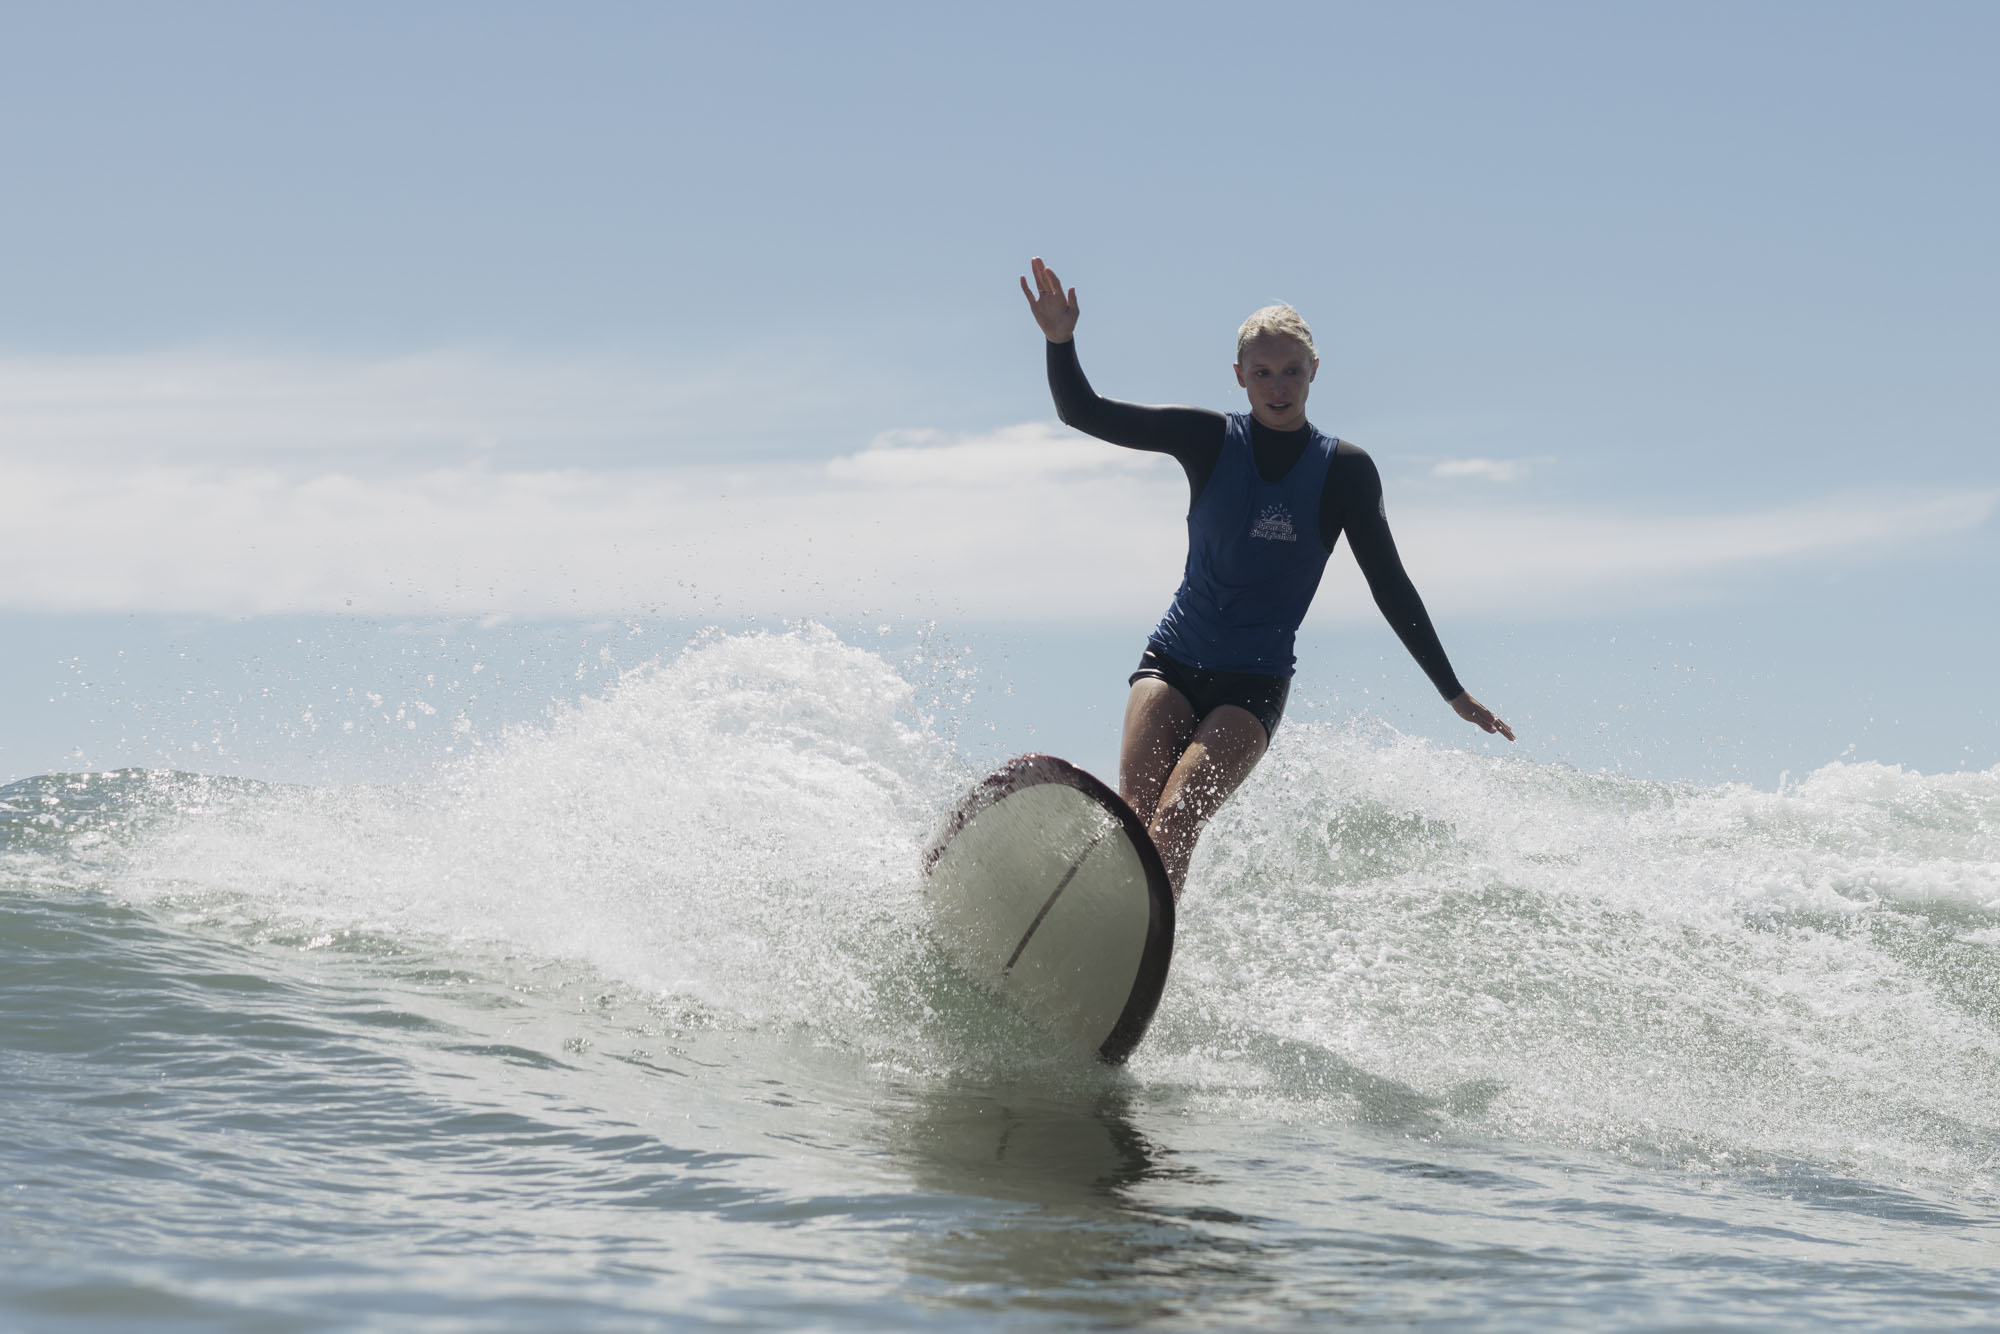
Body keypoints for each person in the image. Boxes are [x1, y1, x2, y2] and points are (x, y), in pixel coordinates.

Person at [1019, 256, 1514, 896]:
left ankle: (1145, 950)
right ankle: (1099, 930)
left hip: (1251, 686)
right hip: (1170, 661)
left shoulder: (1345, 472)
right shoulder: (1208, 440)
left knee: (1174, 822)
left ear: (1314, 372)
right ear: (1239, 377)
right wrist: (1061, 343)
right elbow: (1082, 411)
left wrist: (1453, 692)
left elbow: (1390, 585)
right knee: (1134, 821)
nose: (1277, 386)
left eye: (1291, 372)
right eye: (1262, 373)